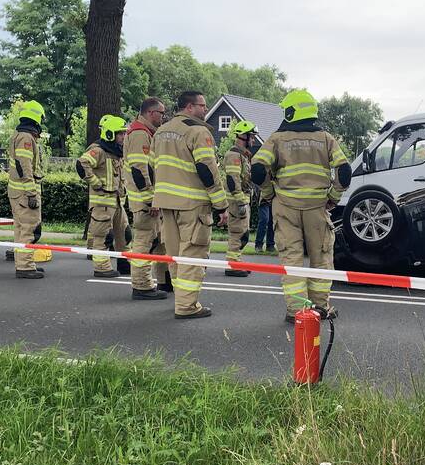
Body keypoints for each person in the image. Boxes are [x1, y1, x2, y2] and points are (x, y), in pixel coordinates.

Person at [251, 89, 351, 322]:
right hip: (317, 208)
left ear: (290, 111)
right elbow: (344, 171)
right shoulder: (326, 138)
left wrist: (269, 193)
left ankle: (297, 311)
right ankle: (320, 308)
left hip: (285, 207)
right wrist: (333, 197)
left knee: (291, 260)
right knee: (321, 259)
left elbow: (257, 169)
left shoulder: (276, 139)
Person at [150, 91, 229, 319]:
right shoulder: (198, 131)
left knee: (174, 254)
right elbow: (207, 169)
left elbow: (150, 166)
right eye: (202, 105)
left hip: (166, 203)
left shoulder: (161, 132)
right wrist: (221, 205)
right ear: (188, 107)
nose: (206, 110)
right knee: (192, 253)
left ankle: (181, 298)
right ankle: (186, 306)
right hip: (192, 204)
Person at [122, 98, 169, 300]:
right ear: (151, 113)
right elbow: (139, 171)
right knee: (144, 241)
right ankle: (141, 285)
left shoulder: (143, 132)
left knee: (159, 242)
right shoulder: (140, 134)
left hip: (146, 200)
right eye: (161, 113)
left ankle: (164, 281)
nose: (163, 117)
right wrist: (151, 200)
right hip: (144, 202)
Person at [78, 114, 129, 278]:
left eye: (124, 133)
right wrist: (95, 182)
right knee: (103, 237)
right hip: (102, 204)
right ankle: (102, 268)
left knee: (125, 235)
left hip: (117, 203)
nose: (123, 136)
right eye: (120, 133)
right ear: (110, 134)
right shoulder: (98, 150)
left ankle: (124, 263)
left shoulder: (117, 152)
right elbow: (81, 164)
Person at [8, 100, 46, 279]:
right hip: (24, 193)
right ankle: (25, 267)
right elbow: (25, 167)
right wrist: (32, 193)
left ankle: (24, 263)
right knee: (28, 229)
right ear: (36, 118)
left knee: (21, 229)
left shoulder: (19, 135)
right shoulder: (26, 138)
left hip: (18, 192)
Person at [223, 120, 258, 276]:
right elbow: (232, 180)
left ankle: (236, 261)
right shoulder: (234, 155)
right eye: (252, 137)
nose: (254, 140)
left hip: (242, 198)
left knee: (243, 233)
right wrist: (240, 201)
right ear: (243, 136)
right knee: (237, 233)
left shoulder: (242, 155)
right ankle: (232, 265)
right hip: (237, 200)